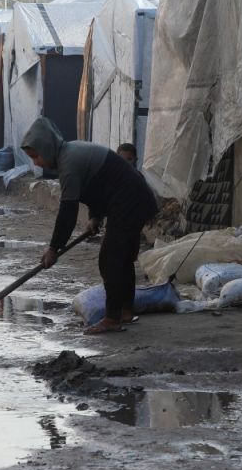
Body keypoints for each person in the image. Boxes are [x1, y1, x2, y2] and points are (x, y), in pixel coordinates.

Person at [21, 116, 159, 335]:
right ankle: (124, 311)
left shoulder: (69, 163)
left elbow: (68, 211)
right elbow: (97, 186)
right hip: (130, 200)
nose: (36, 162)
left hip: (130, 201)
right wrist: (95, 217)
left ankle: (113, 318)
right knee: (122, 258)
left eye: (36, 156)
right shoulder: (70, 154)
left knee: (110, 259)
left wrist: (54, 247)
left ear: (47, 149)